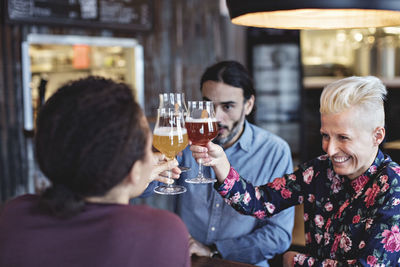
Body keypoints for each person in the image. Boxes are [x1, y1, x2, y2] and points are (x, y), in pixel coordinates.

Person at [190, 76, 400, 266]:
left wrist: (297, 261)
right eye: (326, 135)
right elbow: (259, 202)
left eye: (343, 137)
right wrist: (220, 164)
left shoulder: (394, 186)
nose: (330, 149)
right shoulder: (318, 170)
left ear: (377, 136)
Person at [0, 76, 190, 267]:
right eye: (149, 150)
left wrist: (127, 181)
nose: (152, 157)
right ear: (133, 170)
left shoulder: (14, 215)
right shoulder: (163, 232)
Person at [176, 61, 295, 266]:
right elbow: (149, 189)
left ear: (248, 105)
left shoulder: (274, 151)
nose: (215, 117)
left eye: (227, 106)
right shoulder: (183, 143)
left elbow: (278, 235)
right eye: (208, 105)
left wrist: (214, 251)